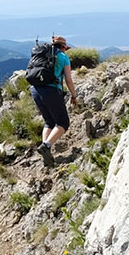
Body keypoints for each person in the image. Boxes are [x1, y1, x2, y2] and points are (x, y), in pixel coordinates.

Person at [30, 35, 80, 166]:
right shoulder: (63, 57)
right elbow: (68, 80)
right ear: (63, 47)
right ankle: (46, 146)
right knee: (63, 123)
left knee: (49, 121)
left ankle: (46, 152)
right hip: (51, 91)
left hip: (35, 90)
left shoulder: (41, 54)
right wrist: (74, 96)